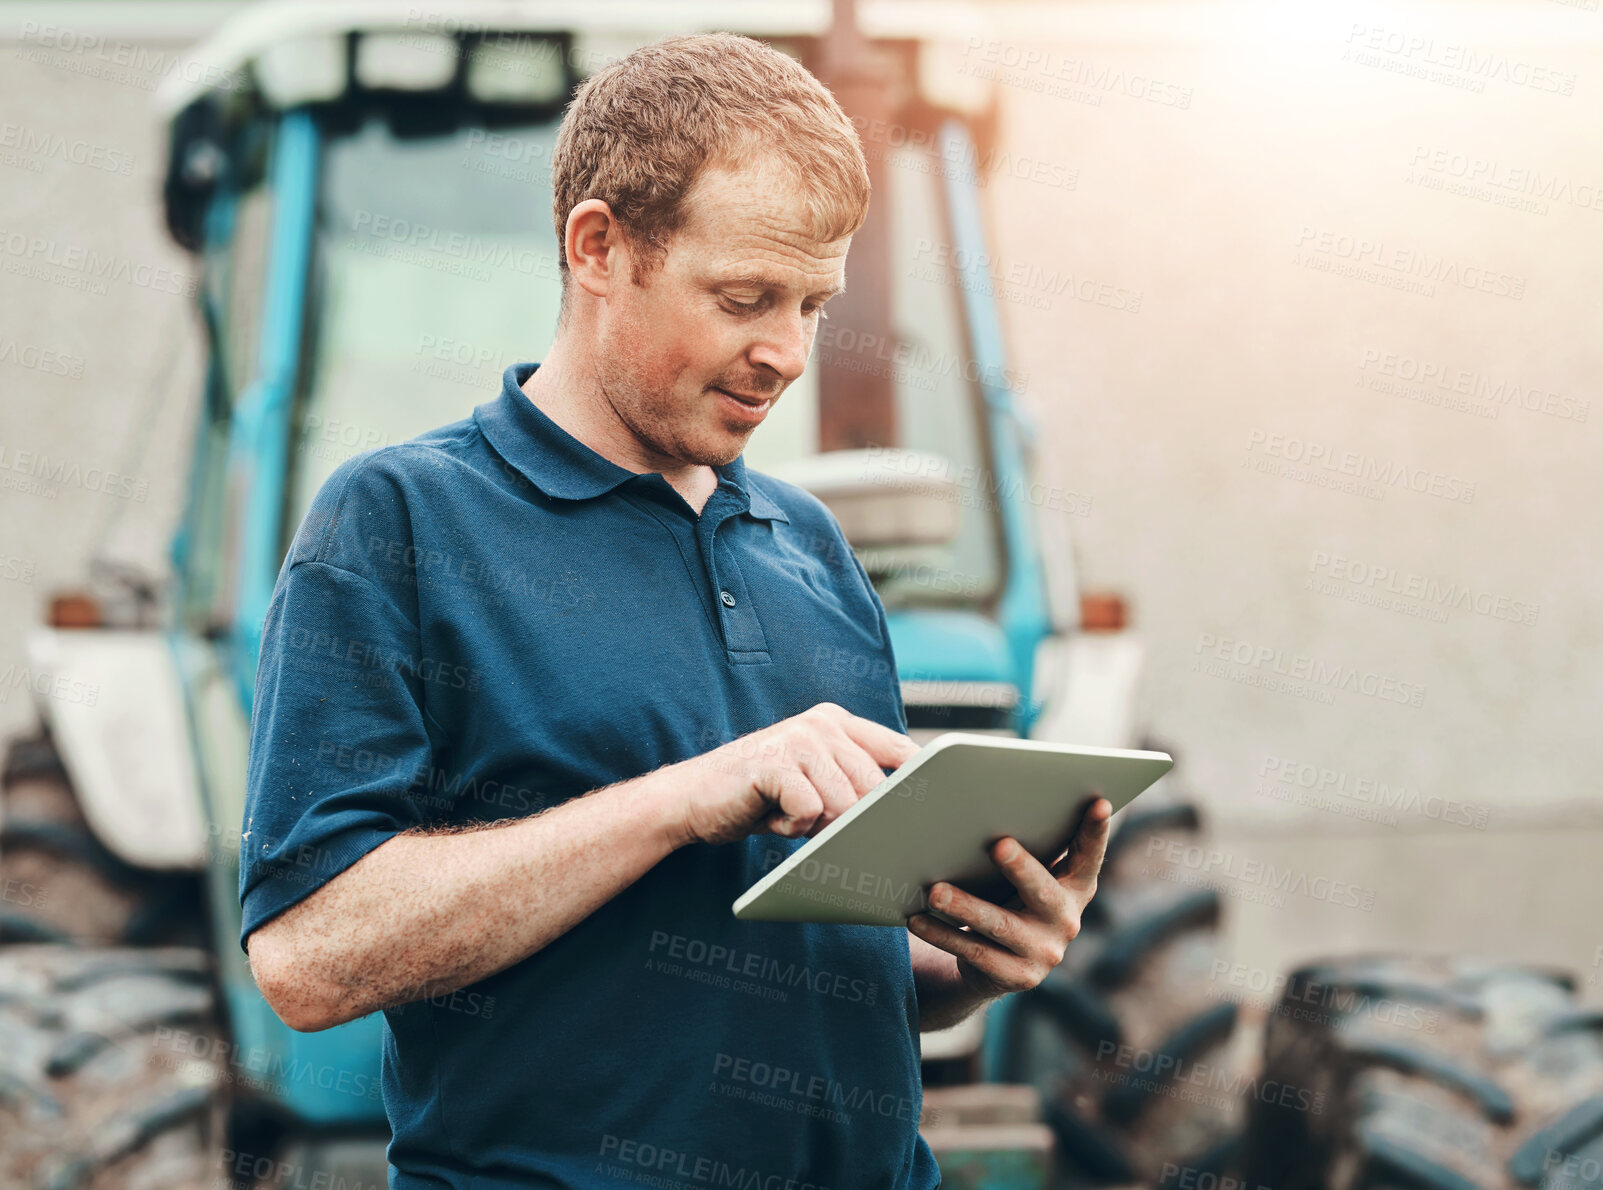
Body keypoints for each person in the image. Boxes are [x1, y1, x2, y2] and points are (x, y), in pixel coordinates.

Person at [239, 31, 1111, 1189]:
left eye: (811, 302)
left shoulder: (810, 548)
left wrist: (979, 960)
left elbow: (819, 974)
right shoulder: (397, 522)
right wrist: (685, 796)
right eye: (744, 297)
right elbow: (308, 956)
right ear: (597, 247)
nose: (787, 353)